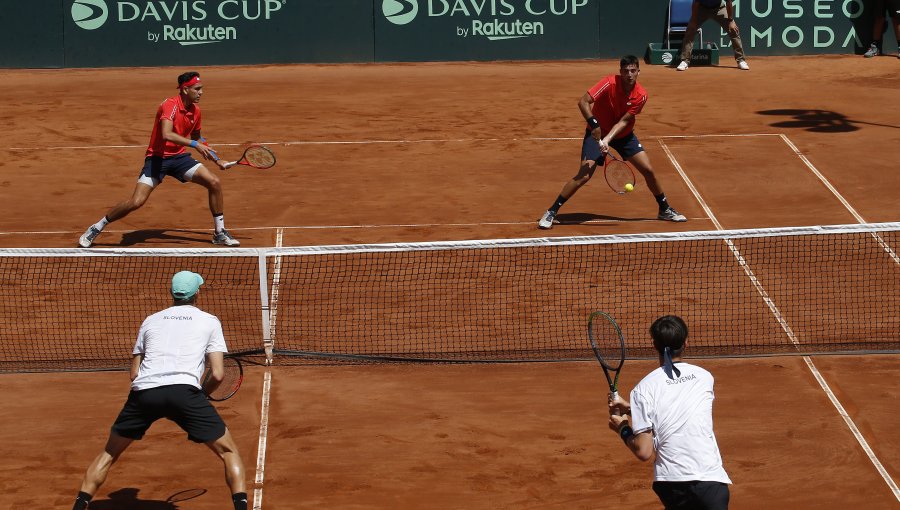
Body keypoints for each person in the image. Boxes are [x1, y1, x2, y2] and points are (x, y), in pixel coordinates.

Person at [71, 271, 248, 510]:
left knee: (109, 453)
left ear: (172, 294)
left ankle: (80, 506)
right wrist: (201, 395)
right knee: (229, 452)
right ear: (198, 293)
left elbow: (134, 374)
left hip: (144, 393)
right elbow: (217, 374)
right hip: (184, 393)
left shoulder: (150, 320)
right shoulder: (210, 321)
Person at [78, 71, 240, 248]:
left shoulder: (196, 111)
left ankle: (219, 233)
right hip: (157, 159)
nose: (201, 92)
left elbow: (198, 136)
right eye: (197, 89)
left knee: (214, 182)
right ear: (185, 90)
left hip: (179, 158)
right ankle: (97, 226)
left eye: (201, 89)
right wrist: (194, 144)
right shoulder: (170, 105)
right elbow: (166, 134)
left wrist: (217, 160)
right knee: (136, 201)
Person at [538, 55, 687, 229]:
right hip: (596, 134)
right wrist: (594, 125)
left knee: (648, 170)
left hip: (624, 136)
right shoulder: (608, 83)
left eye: (633, 71)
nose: (629, 75)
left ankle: (664, 209)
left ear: (638, 71)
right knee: (584, 175)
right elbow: (583, 101)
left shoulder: (641, 95)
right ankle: (551, 211)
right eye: (625, 71)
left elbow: (624, 121)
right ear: (620, 72)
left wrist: (608, 139)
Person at [608, 315, 731, 509]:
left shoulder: (644, 389)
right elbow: (679, 410)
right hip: (712, 484)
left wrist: (622, 427)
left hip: (673, 485)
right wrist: (633, 409)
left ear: (654, 344)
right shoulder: (705, 378)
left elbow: (644, 451)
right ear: (686, 343)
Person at [675, 0, 749, 71]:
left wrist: (730, 20)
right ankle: (685, 61)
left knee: (733, 30)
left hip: (719, 8)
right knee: (690, 30)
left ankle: (741, 60)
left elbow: (728, 1)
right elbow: (695, 3)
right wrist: (694, 21)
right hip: (701, 9)